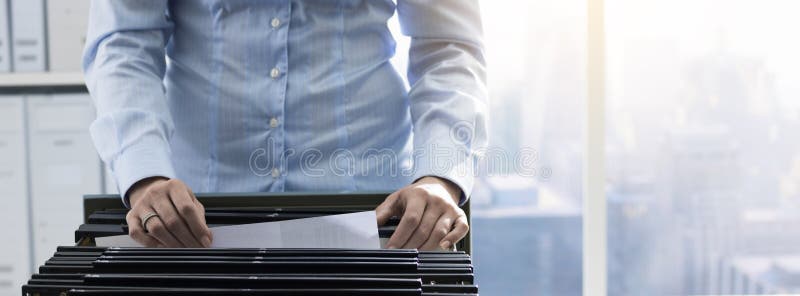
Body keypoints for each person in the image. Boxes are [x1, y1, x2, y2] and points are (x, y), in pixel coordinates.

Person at [83, 0, 487, 251]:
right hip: (197, 217)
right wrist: (146, 177)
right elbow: (124, 44)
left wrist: (438, 177)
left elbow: (447, 50)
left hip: (377, 213)